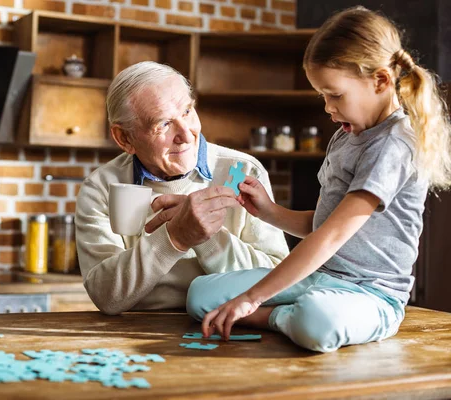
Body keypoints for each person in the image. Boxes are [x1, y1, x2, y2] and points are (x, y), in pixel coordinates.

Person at [187, 6, 451, 352]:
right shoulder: (346, 135)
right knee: (199, 295)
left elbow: (331, 236)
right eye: (322, 95)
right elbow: (323, 224)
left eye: (335, 95)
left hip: (371, 295)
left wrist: (253, 299)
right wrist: (269, 211)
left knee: (316, 320)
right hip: (320, 278)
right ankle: (285, 313)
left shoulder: (394, 144)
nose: (328, 107)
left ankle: (273, 317)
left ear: (381, 81)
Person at [75, 61, 290, 315]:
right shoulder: (100, 188)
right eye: (164, 124)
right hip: (136, 330)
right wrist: (174, 238)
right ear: (125, 138)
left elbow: (280, 285)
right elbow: (106, 296)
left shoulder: (242, 172)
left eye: (187, 111)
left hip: (230, 325)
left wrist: (209, 239)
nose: (187, 135)